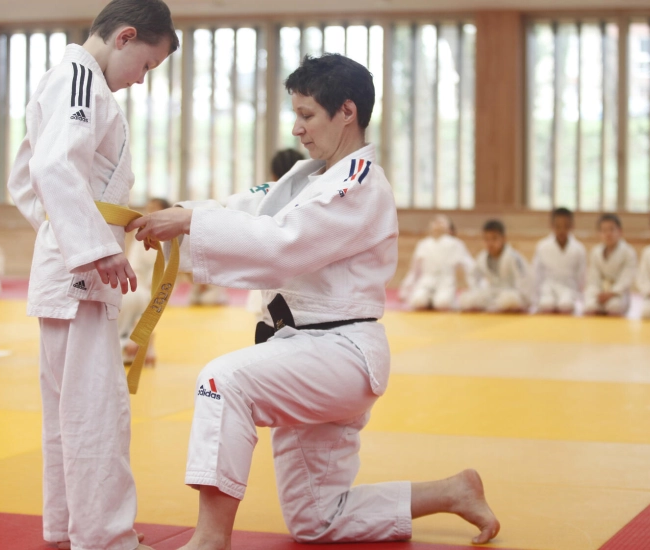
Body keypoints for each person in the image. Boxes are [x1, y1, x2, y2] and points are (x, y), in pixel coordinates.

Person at [130, 53, 500, 549]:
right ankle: (453, 491)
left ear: (346, 111)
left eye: (307, 115)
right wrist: (178, 213)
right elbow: (246, 207)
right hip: (300, 352)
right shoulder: (307, 177)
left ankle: (209, 539)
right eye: (296, 114)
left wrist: (192, 224)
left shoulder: (359, 183)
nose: (297, 128)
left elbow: (287, 241)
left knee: (223, 382)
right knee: (317, 519)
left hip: (339, 353)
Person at [5, 0, 178, 548]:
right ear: (125, 37)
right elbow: (52, 168)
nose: (141, 80)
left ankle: (67, 528)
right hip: (80, 273)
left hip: (68, 268)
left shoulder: (69, 80)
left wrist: (65, 236)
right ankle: (105, 538)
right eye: (147, 66)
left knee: (67, 412)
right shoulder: (80, 79)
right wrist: (93, 248)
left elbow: (25, 179)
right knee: (95, 410)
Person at [246, 149, 307, 319]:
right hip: (304, 283)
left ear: (272, 175)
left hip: (269, 278)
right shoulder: (312, 201)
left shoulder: (263, 203)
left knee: (265, 326)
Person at [119, 197, 169, 364]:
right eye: (149, 208)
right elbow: (133, 263)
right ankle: (134, 345)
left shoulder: (170, 236)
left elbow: (168, 268)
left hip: (156, 287)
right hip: (136, 284)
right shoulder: (141, 233)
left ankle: (131, 344)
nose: (151, 212)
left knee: (139, 312)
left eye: (155, 208)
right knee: (129, 308)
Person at [399, 215, 473, 311]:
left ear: (449, 227)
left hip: (446, 282)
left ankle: (439, 299)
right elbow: (414, 271)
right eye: (435, 221)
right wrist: (405, 289)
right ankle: (428, 299)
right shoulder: (423, 244)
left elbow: (469, 266)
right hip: (426, 281)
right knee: (418, 301)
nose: (438, 224)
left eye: (442, 222)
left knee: (442, 303)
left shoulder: (456, 244)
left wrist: (477, 287)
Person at [458, 220, 532, 313]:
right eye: (486, 239)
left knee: (509, 300)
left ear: (503, 238)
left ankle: (495, 306)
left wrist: (524, 299)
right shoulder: (482, 257)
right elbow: (473, 276)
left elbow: (524, 280)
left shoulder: (514, 257)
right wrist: (477, 289)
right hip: (492, 292)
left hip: (510, 292)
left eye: (494, 239)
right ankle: (493, 306)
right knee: (465, 300)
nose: (490, 243)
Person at [532, 207, 587, 314]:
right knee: (546, 305)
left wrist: (579, 295)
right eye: (558, 226)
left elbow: (581, 276)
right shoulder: (542, 246)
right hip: (547, 288)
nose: (562, 230)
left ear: (572, 226)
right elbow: (537, 273)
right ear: (552, 226)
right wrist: (537, 296)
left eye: (566, 226)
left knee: (566, 305)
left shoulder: (579, 249)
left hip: (569, 288)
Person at [583, 214, 637, 316]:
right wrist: (599, 293)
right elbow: (593, 277)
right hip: (599, 292)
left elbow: (627, 278)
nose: (608, 234)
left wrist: (611, 293)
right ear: (599, 233)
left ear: (620, 231)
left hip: (618, 294)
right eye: (604, 231)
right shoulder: (595, 252)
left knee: (614, 306)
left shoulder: (628, 252)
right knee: (590, 306)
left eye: (612, 230)